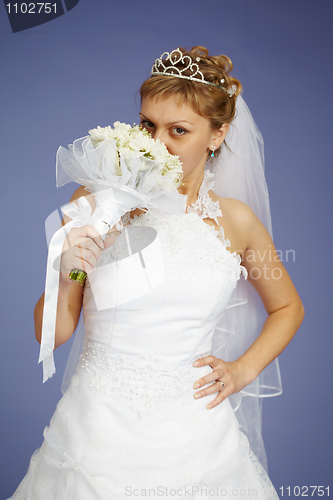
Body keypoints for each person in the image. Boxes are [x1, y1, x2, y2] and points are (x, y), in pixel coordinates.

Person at [9, 46, 304, 499]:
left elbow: (287, 306)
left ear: (217, 135)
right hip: (95, 432)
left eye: (179, 130)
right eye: (148, 124)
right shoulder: (99, 202)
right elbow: (52, 333)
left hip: (198, 437)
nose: (157, 143)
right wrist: (69, 270)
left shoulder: (236, 222)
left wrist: (242, 370)